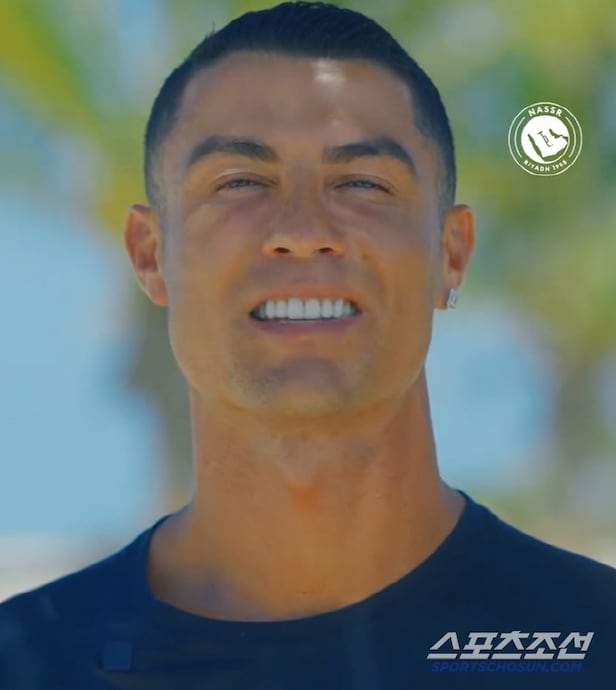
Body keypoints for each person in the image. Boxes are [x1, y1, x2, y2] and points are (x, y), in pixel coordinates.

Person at [1, 2, 614, 688]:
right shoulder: (26, 664)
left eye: (362, 183)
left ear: (451, 254)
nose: (301, 231)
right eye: (239, 183)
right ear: (149, 254)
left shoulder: (594, 644)